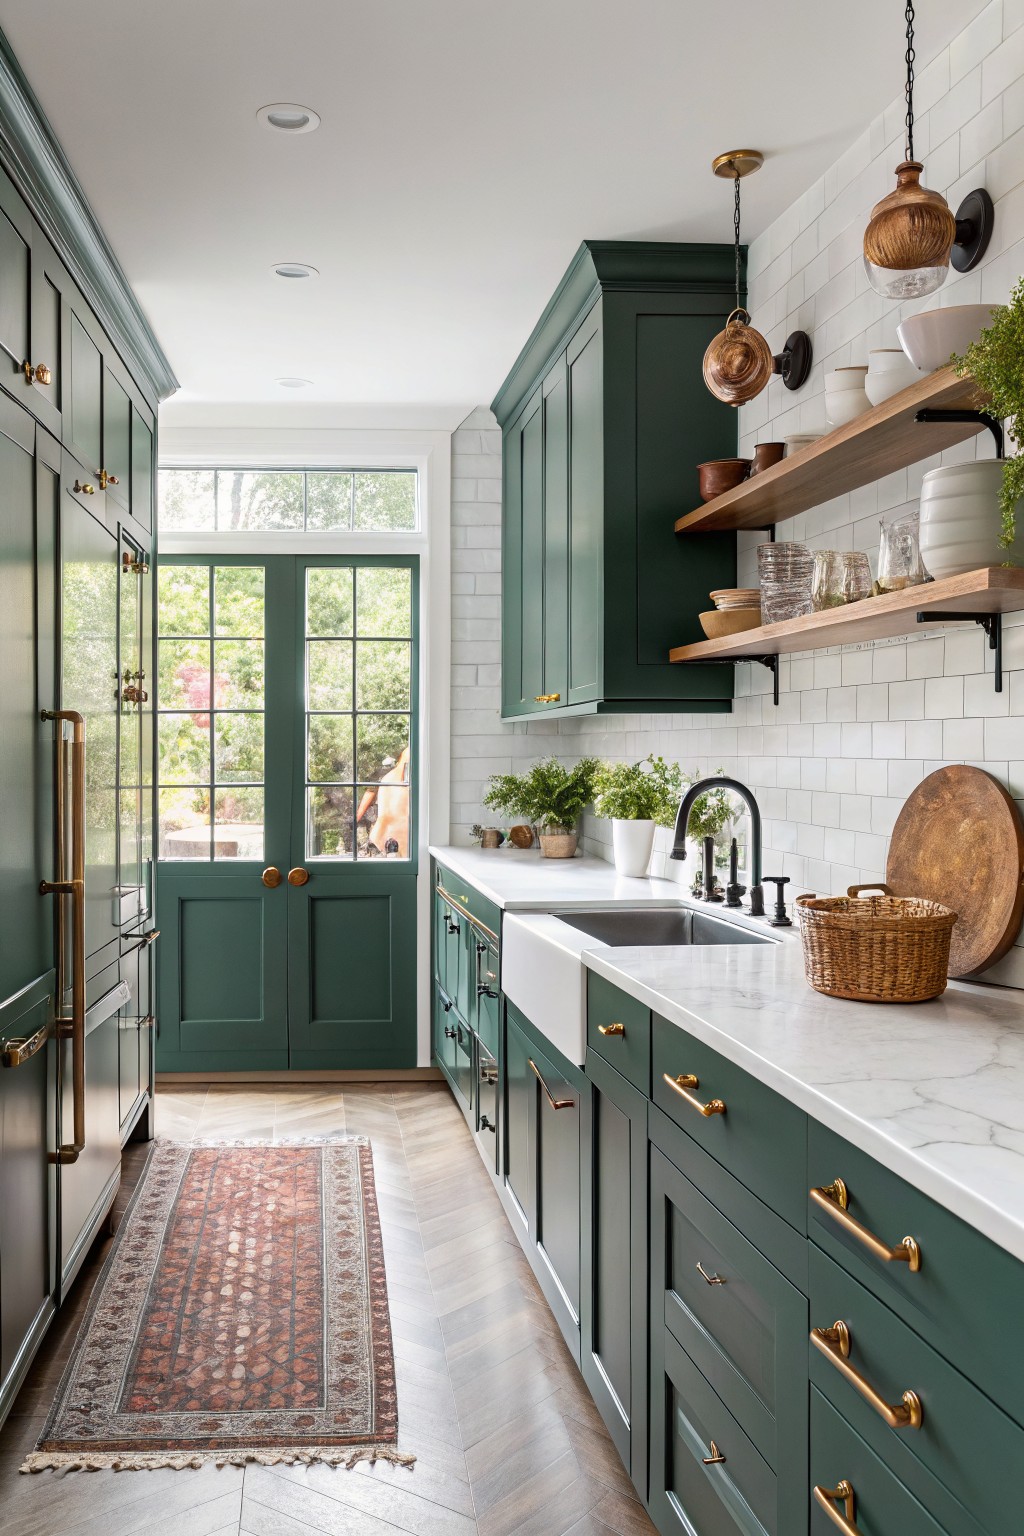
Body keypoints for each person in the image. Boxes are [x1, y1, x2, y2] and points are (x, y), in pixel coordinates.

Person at [356, 745, 410, 857]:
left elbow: (369, 793)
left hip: (379, 837)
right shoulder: (408, 784)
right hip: (399, 841)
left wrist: (356, 818)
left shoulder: (387, 778)